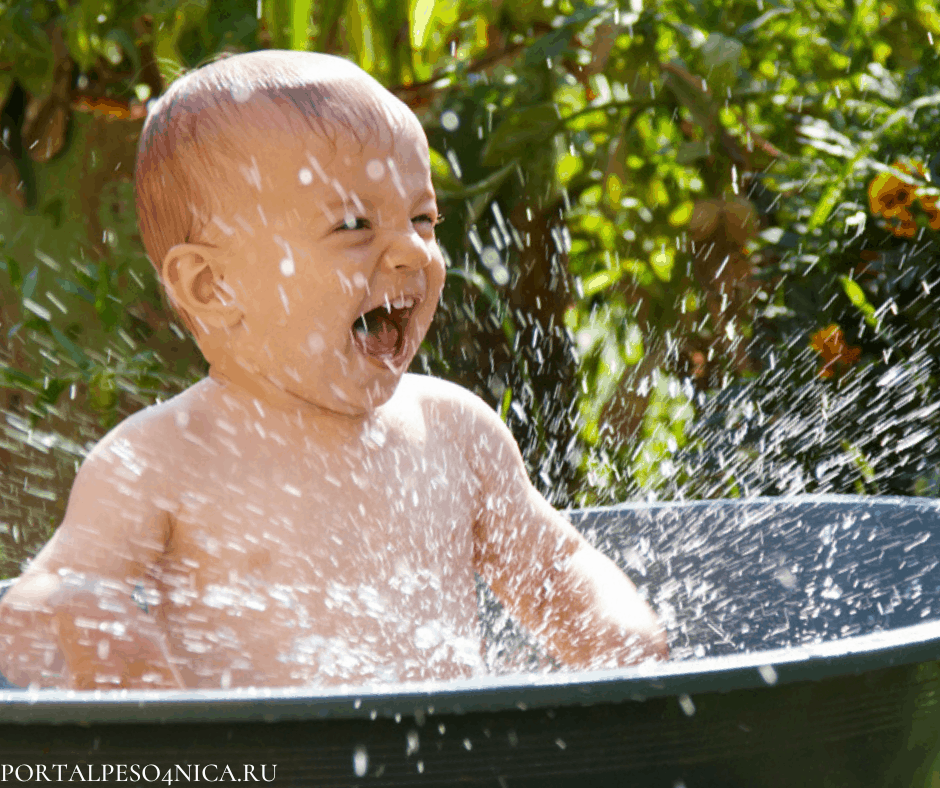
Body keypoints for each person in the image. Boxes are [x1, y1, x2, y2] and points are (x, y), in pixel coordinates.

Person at [0, 50, 666, 690]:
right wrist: (110, 646)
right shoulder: (161, 461)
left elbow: (557, 567)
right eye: (354, 224)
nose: (411, 250)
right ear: (212, 286)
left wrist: (621, 645)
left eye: (423, 218)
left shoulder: (454, 432)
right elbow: (43, 604)